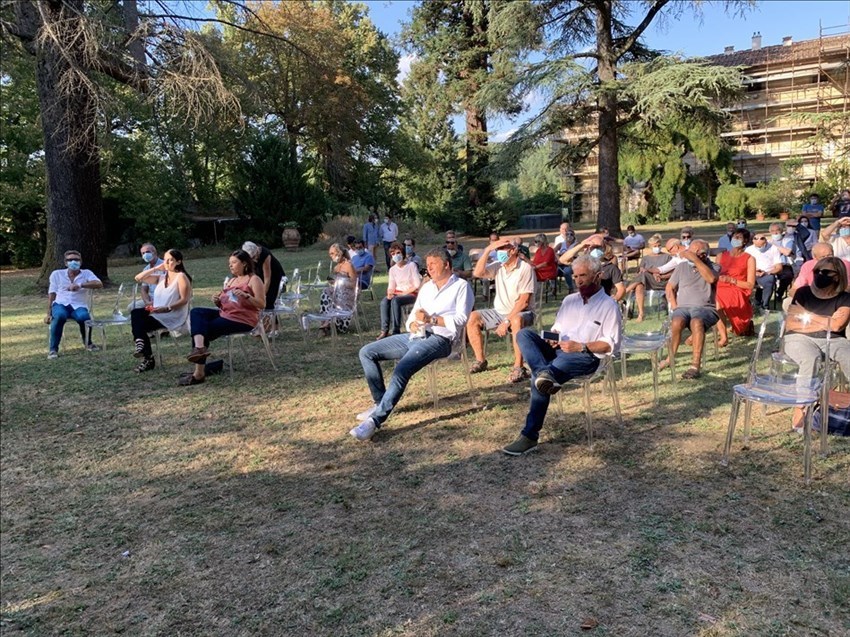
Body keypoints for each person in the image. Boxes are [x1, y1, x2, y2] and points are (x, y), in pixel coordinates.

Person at [501, 255, 622, 456]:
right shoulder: (569, 300)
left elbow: (611, 344)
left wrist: (581, 346)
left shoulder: (609, 305)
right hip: (558, 350)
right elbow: (557, 328)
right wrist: (553, 337)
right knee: (524, 334)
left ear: (598, 275)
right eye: (575, 276)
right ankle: (544, 374)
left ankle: (529, 435)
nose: (578, 281)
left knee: (539, 377)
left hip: (585, 356)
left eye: (583, 275)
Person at [350, 248, 474, 442]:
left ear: (446, 265)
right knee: (367, 352)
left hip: (441, 339)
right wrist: (413, 324)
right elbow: (414, 314)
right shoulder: (427, 288)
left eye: (433, 264)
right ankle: (380, 402)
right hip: (416, 335)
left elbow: (461, 319)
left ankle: (375, 421)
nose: (429, 268)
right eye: (428, 265)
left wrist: (432, 320)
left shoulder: (461, 287)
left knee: (402, 369)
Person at [784, 256, 850, 429]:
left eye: (826, 272)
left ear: (838, 275)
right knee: (810, 359)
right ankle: (801, 407)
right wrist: (827, 322)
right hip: (798, 337)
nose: (820, 275)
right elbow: (791, 324)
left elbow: (837, 326)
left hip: (834, 339)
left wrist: (807, 315)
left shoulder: (845, 298)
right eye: (817, 271)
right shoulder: (803, 293)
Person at [180, 250, 264, 386]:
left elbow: (261, 304)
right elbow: (226, 302)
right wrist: (217, 301)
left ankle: (199, 372)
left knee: (202, 329)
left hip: (243, 319)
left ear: (244, 263)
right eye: (229, 263)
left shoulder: (254, 279)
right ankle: (200, 350)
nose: (230, 265)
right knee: (196, 312)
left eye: (234, 262)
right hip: (226, 314)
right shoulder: (231, 281)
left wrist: (247, 296)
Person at [466, 239, 535, 383]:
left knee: (516, 320)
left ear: (513, 250)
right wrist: (488, 250)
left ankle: (519, 367)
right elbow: (477, 273)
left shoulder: (525, 268)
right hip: (499, 311)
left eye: (503, 248)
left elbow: (524, 302)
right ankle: (480, 360)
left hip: (522, 312)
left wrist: (506, 321)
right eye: (498, 249)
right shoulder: (498, 266)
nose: (499, 252)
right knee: (472, 317)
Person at [663, 239, 719, 380]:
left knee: (696, 322)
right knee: (677, 321)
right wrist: (675, 306)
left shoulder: (713, 267)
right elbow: (670, 287)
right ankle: (670, 358)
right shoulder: (682, 267)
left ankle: (695, 365)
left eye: (696, 253)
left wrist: (696, 260)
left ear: (704, 255)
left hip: (705, 308)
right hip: (683, 307)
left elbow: (711, 279)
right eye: (690, 252)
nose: (690, 255)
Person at [130, 249, 192, 372]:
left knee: (139, 324)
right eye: (165, 260)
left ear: (178, 262)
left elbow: (184, 300)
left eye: (171, 260)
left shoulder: (181, 277)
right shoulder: (162, 277)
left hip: (172, 315)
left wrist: (167, 308)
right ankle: (141, 345)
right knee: (136, 313)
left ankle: (147, 357)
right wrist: (157, 268)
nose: (167, 263)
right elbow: (138, 278)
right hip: (157, 313)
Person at [45, 250, 104, 358]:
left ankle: (88, 343)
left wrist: (80, 285)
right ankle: (53, 349)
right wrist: (48, 313)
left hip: (79, 305)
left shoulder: (86, 273)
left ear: (80, 262)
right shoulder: (57, 274)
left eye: (76, 259)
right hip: (60, 304)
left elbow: (99, 284)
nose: (73, 262)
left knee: (84, 318)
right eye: (70, 260)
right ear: (65, 263)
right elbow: (52, 293)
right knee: (59, 316)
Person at [714, 228, 756, 346]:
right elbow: (714, 274)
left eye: (739, 237)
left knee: (718, 299)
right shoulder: (721, 255)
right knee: (716, 302)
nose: (735, 240)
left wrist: (732, 280)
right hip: (720, 286)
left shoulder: (749, 258)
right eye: (734, 237)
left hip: (737, 288)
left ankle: (740, 325)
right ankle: (723, 337)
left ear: (745, 241)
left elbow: (750, 284)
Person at [377, 242, 422, 339]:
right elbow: (391, 285)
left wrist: (405, 293)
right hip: (398, 293)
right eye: (393, 254)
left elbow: (417, 284)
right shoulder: (392, 270)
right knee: (385, 301)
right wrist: (389, 292)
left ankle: (395, 330)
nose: (396, 256)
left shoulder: (411, 265)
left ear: (402, 253)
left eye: (398, 253)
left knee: (395, 301)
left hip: (411, 293)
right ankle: (384, 330)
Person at [560, 233, 625, 300]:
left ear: (604, 248)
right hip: (582, 301)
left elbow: (621, 289)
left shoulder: (611, 268)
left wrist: (613, 300)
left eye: (598, 247)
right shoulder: (582, 265)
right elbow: (563, 260)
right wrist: (581, 245)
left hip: (602, 301)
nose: (596, 250)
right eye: (593, 247)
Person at [625, 233, 672, 321]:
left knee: (644, 274)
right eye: (655, 246)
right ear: (650, 246)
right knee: (639, 285)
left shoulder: (667, 257)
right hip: (648, 282)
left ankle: (624, 292)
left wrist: (660, 275)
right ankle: (641, 313)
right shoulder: (646, 258)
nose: (657, 247)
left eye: (659, 245)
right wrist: (650, 273)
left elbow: (672, 273)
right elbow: (640, 272)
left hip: (662, 281)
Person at [318, 243, 358, 335]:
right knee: (325, 293)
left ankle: (332, 323)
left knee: (332, 295)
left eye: (332, 253)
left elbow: (354, 284)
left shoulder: (348, 265)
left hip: (348, 294)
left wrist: (341, 282)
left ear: (339, 253)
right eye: (330, 254)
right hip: (337, 291)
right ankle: (326, 321)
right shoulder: (336, 268)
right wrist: (333, 282)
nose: (331, 256)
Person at [241, 241, 285, 310]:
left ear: (257, 251)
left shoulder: (265, 255)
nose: (254, 260)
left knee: (268, 302)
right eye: (251, 258)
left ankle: (270, 315)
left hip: (274, 277)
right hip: (260, 275)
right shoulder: (247, 257)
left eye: (254, 256)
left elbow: (267, 279)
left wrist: (262, 296)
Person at [745, 232, 783, 310]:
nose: (759, 248)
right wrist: (754, 270)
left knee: (769, 280)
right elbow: (744, 265)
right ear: (753, 242)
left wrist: (767, 272)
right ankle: (748, 305)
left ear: (765, 242)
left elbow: (779, 267)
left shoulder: (773, 248)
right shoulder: (749, 250)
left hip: (767, 273)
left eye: (761, 245)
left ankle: (764, 306)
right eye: (757, 246)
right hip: (752, 273)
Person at [130, 243, 165, 310]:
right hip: (151, 299)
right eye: (143, 253)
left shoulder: (165, 265)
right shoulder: (146, 269)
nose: (145, 255)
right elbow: (144, 289)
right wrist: (147, 301)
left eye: (147, 252)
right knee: (132, 307)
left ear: (154, 252)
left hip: (164, 299)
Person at [768, 222, 796, 301]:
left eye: (777, 230)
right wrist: (781, 250)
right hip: (771, 265)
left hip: (784, 264)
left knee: (788, 276)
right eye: (772, 231)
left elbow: (787, 252)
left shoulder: (788, 240)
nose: (775, 232)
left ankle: (779, 293)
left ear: (781, 231)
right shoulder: (768, 242)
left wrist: (775, 246)